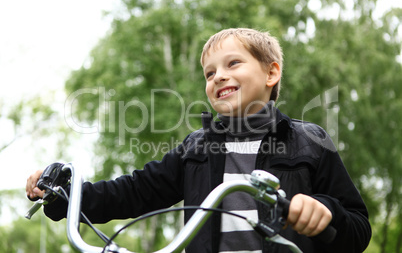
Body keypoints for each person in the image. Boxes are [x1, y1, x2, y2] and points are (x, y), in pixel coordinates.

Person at [26, 28, 371, 252]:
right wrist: (65, 197)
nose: (219, 75)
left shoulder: (310, 141)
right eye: (209, 73)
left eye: (233, 63)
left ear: (271, 72)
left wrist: (328, 213)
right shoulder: (196, 148)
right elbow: (133, 193)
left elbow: (358, 228)